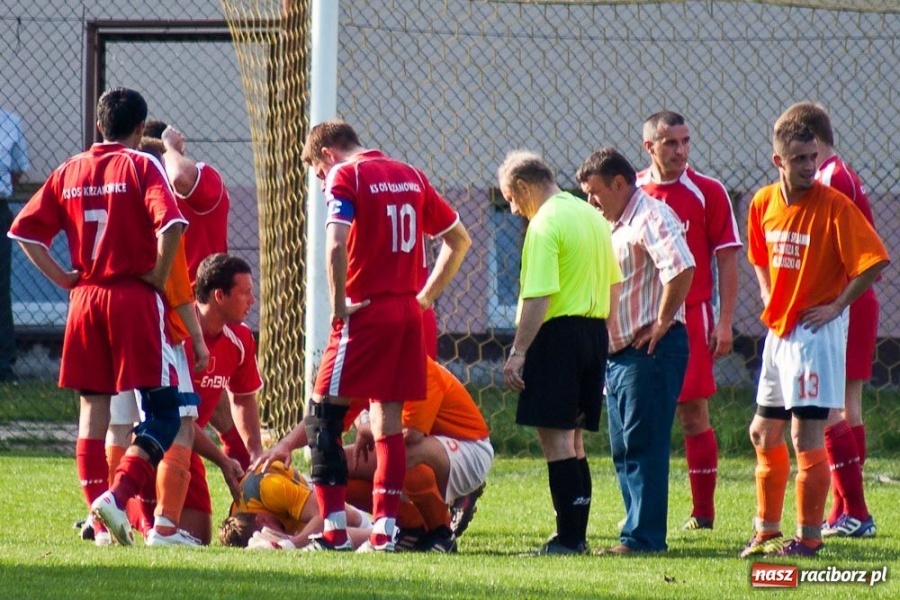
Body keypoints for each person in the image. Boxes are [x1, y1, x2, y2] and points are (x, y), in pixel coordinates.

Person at [256, 119, 471, 552]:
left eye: (319, 174)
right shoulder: (411, 175)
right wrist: (426, 297)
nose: (322, 184)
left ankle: (333, 533)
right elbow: (459, 239)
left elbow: (336, 243)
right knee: (387, 425)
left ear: (328, 155)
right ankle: (384, 533)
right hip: (407, 314)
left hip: (365, 313)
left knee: (323, 418)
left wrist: (338, 304)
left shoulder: (346, 174)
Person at [8, 87, 188, 546]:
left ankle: (99, 524)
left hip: (85, 299)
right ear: (139, 128)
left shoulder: (70, 169)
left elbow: (24, 232)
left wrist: (63, 278)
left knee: (93, 413)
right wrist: (158, 274)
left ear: (98, 125)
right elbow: (171, 223)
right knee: (165, 411)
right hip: (132, 296)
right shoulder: (141, 164)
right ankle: (117, 495)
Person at [740, 114, 888, 558]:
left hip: (814, 334)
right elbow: (757, 253)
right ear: (778, 161)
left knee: (806, 437)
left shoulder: (834, 205)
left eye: (812, 157)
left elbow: (874, 260)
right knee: (762, 432)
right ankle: (766, 530)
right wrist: (766, 291)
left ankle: (808, 538)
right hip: (779, 332)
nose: (809, 166)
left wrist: (838, 306)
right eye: (799, 159)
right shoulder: (763, 202)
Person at [498, 151, 621, 556]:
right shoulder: (592, 217)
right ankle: (575, 536)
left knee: (556, 441)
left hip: (557, 337)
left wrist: (519, 352)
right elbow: (614, 283)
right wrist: (603, 334)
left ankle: (568, 539)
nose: (513, 210)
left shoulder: (545, 223)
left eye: (511, 200)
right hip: (593, 333)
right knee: (575, 440)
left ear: (523, 187)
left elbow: (539, 296)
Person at [576, 148, 695, 554]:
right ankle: (636, 526)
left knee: (643, 445)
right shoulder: (612, 224)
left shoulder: (651, 216)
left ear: (618, 183)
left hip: (650, 351)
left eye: (594, 192)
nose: (591, 202)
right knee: (623, 446)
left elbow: (681, 266)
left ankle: (644, 538)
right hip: (619, 355)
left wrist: (662, 320)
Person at [637, 111, 742, 530]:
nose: (680, 151)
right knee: (643, 417)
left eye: (685, 142)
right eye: (670, 143)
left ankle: (703, 513)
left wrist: (725, 321)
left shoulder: (708, 191)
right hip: (642, 318)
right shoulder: (634, 192)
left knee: (693, 414)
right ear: (649, 147)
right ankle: (643, 514)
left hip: (692, 316)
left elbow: (727, 257)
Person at [779, 102, 879, 538]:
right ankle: (845, 509)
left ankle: (855, 510)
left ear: (814, 141)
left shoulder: (831, 178)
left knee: (834, 407)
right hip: (850, 300)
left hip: (844, 301)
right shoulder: (839, 172)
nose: (802, 163)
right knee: (846, 405)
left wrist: (835, 302)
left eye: (804, 151)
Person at [349, 356, 495, 552]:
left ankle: (441, 531)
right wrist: (297, 443)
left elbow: (410, 434)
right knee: (337, 465)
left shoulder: (419, 368)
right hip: (418, 445)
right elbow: (335, 417)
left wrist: (367, 428)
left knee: (399, 454)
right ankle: (412, 526)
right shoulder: (367, 363)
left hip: (470, 448)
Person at [143, 120, 229, 283]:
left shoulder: (204, 178)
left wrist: (168, 146)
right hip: (159, 293)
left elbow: (180, 177)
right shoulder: (141, 188)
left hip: (201, 292)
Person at [218, 460, 372, 550]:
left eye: (267, 534)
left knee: (335, 524)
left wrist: (291, 544)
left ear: (261, 519)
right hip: (303, 513)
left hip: (322, 489)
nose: (273, 539)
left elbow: (323, 513)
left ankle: (373, 530)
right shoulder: (238, 525)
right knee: (319, 541)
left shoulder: (269, 488)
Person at [0, 108, 29, 383]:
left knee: (0, 287)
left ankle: (3, 363)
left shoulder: (9, 122)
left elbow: (17, 172)